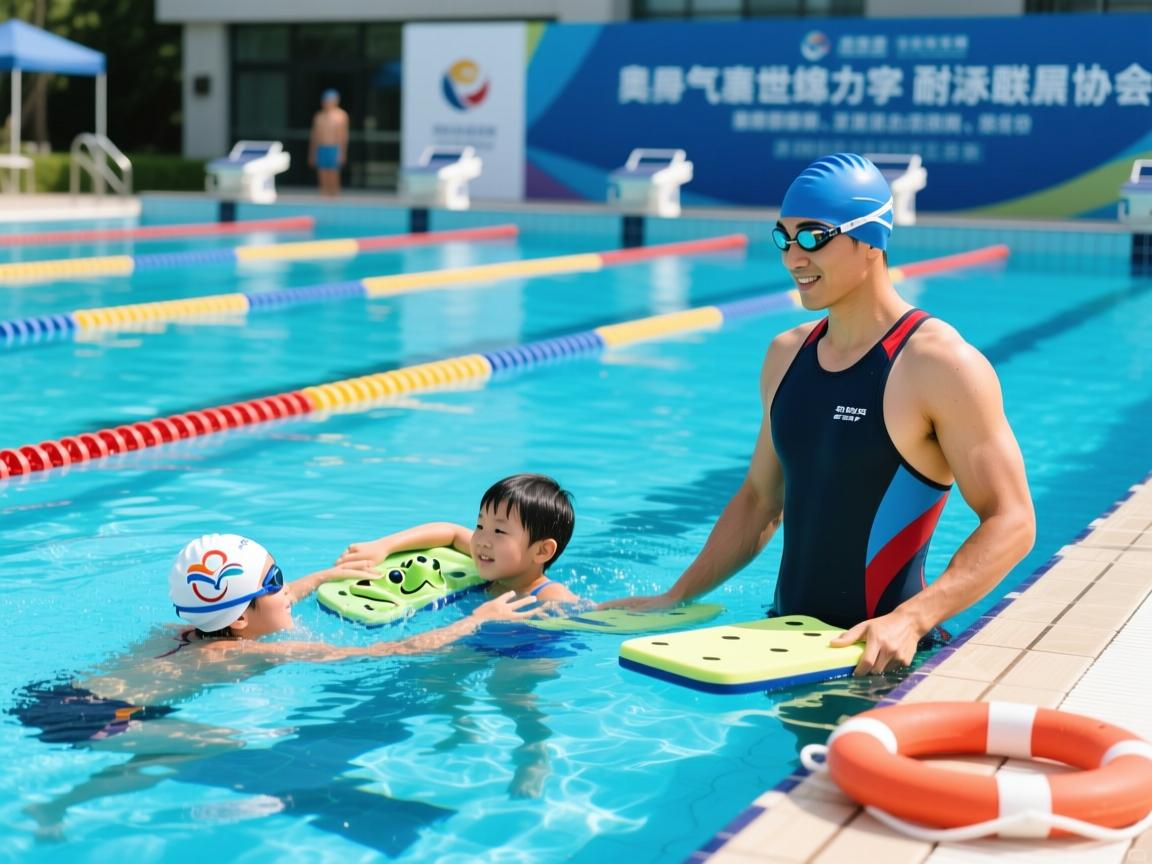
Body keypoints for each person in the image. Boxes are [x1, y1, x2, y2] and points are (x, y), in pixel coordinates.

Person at [602, 153, 1036, 676]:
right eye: (783, 237)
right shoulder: (786, 355)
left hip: (885, 661)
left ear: (870, 240)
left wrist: (913, 619)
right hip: (783, 650)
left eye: (812, 237)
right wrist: (675, 596)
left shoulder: (939, 365)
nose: (793, 257)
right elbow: (760, 500)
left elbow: (1013, 520)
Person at [13, 533, 538, 836]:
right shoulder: (252, 652)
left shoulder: (186, 630)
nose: (287, 590)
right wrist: (475, 621)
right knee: (221, 743)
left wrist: (323, 577)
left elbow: (272, 602)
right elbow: (389, 651)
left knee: (171, 754)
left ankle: (56, 805)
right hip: (93, 715)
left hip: (60, 697)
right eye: (275, 582)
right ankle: (64, 805)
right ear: (241, 618)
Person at [337, 473, 579, 603]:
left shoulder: (550, 596)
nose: (482, 539)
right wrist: (383, 546)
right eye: (480, 525)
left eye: (499, 531)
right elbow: (450, 532)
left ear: (542, 551)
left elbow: (589, 616)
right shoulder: (494, 562)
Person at [308, 88, 349, 197]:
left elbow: (343, 136)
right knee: (322, 174)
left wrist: (342, 153)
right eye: (326, 101)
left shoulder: (341, 116)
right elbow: (314, 137)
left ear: (335, 101)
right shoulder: (319, 117)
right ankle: (324, 197)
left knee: (333, 175)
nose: (327, 103)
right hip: (321, 148)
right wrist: (312, 153)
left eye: (330, 101)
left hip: (334, 148)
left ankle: (334, 198)